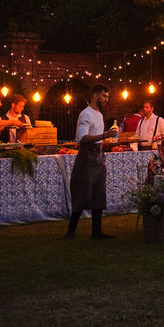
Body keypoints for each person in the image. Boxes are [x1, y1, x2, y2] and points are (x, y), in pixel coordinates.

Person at [65, 85, 117, 240]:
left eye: (107, 96)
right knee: (82, 192)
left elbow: (97, 137)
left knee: (98, 193)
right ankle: (71, 231)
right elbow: (82, 138)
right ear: (95, 96)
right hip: (87, 158)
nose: (106, 99)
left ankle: (97, 231)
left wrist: (105, 141)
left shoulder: (99, 115)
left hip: (98, 157)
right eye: (104, 96)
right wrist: (104, 135)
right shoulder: (86, 114)